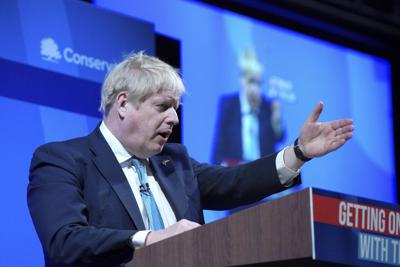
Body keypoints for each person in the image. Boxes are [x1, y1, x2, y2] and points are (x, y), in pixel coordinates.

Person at [27, 52, 353, 267]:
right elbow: (64, 242)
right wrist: (153, 240)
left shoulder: (176, 161)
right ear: (123, 104)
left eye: (176, 108)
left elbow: (234, 184)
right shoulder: (63, 160)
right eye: (162, 106)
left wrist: (298, 152)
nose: (174, 119)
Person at [212, 48, 284, 165]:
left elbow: (279, 138)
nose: (255, 88)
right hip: (236, 172)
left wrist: (276, 121)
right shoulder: (228, 105)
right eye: (251, 81)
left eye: (259, 83)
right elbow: (218, 149)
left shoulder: (268, 106)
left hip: (261, 174)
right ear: (242, 80)